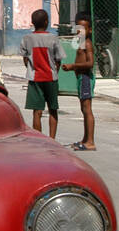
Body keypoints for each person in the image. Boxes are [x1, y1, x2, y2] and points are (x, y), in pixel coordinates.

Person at [20, 8, 65, 140]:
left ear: (32, 22)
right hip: (51, 78)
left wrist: (31, 68)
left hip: (35, 78)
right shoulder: (53, 38)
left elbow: (25, 58)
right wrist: (55, 71)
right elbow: (58, 59)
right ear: (47, 22)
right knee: (53, 109)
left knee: (37, 111)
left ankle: (39, 139)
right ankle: (52, 139)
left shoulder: (27, 38)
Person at [63, 14, 96, 151]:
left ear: (90, 30)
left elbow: (90, 63)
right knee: (84, 109)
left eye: (83, 29)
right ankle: (85, 139)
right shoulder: (80, 42)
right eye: (78, 28)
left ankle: (91, 142)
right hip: (81, 78)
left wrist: (73, 66)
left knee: (87, 110)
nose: (80, 31)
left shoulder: (87, 44)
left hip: (85, 78)